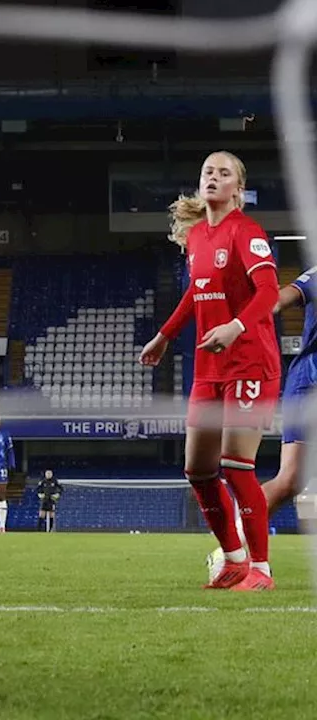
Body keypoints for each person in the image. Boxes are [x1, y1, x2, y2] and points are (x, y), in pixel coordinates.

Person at [140, 150, 280, 592]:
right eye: (207, 172)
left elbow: (269, 292)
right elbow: (193, 295)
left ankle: (261, 569)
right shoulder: (198, 237)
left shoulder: (248, 232)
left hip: (250, 361)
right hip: (208, 367)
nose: (213, 178)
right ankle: (234, 560)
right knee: (198, 470)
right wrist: (163, 336)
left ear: (238, 188)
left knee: (237, 466)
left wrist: (235, 327)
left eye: (223, 173)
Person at [207, 265, 317, 575]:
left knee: (291, 481)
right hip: (311, 379)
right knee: (289, 481)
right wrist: (239, 324)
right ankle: (231, 551)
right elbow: (280, 300)